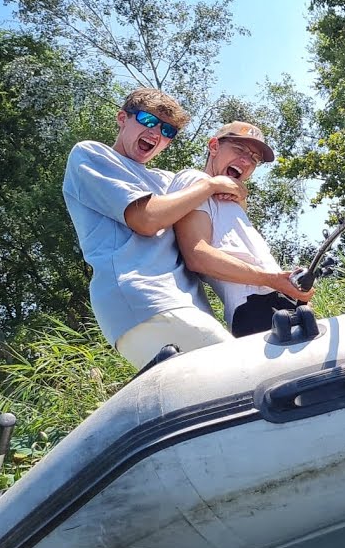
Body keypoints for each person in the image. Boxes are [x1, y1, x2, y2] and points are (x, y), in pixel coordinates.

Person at [63, 88, 248, 369]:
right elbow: (146, 220)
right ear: (122, 118)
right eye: (149, 121)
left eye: (168, 131)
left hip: (182, 306)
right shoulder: (92, 155)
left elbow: (214, 229)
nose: (157, 133)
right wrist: (210, 185)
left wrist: (233, 190)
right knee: (245, 371)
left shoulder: (166, 182)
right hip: (145, 298)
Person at [171, 121, 314, 337]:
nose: (246, 161)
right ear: (214, 146)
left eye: (254, 159)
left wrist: (294, 292)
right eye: (239, 150)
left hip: (280, 304)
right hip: (254, 308)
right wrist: (271, 279)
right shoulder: (197, 180)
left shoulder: (231, 200)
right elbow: (197, 254)